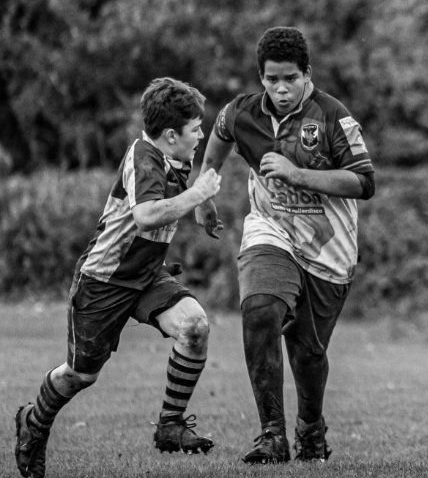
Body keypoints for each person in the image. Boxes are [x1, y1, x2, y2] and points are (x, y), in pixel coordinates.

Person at [15, 78, 220, 478]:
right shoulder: (144, 156)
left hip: (145, 276)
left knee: (194, 326)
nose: (202, 136)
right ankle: (33, 424)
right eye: (196, 129)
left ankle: (170, 425)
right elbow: (146, 215)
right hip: (103, 280)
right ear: (170, 134)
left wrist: (203, 205)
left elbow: (182, 190)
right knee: (81, 375)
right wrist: (198, 196)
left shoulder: (177, 151)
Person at [197, 26, 377, 464]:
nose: (281, 88)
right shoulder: (241, 113)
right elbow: (217, 142)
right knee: (259, 309)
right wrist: (205, 197)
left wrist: (298, 174)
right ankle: (272, 435)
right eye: (272, 79)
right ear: (261, 76)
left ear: (307, 74)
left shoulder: (334, 117)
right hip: (270, 231)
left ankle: (311, 431)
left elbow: (365, 182)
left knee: (308, 354)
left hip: (327, 249)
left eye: (290, 79)